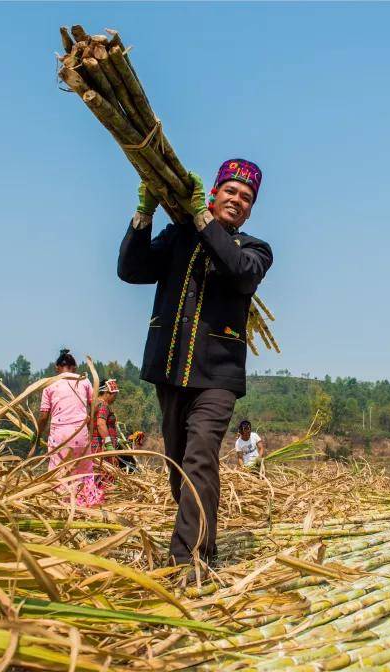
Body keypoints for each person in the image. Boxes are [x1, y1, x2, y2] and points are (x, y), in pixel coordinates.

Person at [117, 158, 272, 568]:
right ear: (215, 193)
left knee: (200, 456)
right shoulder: (179, 236)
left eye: (247, 198)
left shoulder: (254, 250)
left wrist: (202, 219)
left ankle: (188, 561)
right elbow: (131, 270)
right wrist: (144, 213)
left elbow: (238, 273)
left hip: (217, 376)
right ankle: (205, 540)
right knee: (180, 468)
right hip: (169, 371)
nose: (237, 200)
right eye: (231, 192)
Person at [37, 349, 96, 505]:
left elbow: (44, 416)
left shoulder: (50, 385)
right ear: (74, 367)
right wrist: (90, 425)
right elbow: (94, 406)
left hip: (60, 437)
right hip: (81, 434)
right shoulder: (84, 381)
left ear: (57, 367)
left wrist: (37, 435)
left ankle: (62, 508)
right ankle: (87, 506)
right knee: (84, 470)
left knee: (59, 474)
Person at [87, 378, 121, 500]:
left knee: (98, 476)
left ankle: (95, 499)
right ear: (107, 393)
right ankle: (102, 501)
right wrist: (109, 446)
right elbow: (101, 424)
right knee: (105, 476)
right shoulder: (103, 405)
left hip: (97, 447)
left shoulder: (95, 405)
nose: (115, 398)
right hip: (103, 449)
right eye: (114, 395)